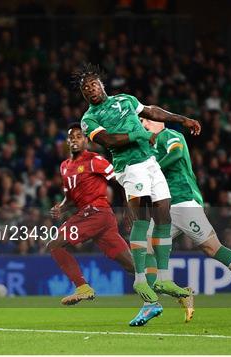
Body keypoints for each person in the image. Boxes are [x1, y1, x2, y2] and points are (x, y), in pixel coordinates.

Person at [73, 63, 200, 324]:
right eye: (86, 89)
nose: (91, 90)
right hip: (130, 168)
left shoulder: (126, 99)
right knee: (142, 219)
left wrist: (181, 119)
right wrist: (139, 132)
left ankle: (163, 279)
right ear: (84, 95)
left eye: (93, 85)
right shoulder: (89, 119)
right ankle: (142, 283)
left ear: (102, 85)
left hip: (150, 164)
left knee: (163, 217)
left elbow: (152, 111)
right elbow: (108, 141)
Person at [136, 118, 231, 322]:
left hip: (184, 203)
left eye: (146, 120)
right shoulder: (148, 148)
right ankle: (150, 303)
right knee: (147, 245)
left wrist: (153, 168)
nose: (143, 124)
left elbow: (175, 154)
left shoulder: (172, 136)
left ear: (160, 122)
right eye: (140, 121)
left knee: (213, 249)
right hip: (165, 206)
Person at [48, 123, 134, 305]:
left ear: (86, 140)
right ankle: (175, 289)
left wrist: (128, 209)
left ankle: (82, 288)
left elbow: (121, 182)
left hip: (97, 212)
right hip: (96, 219)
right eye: (71, 137)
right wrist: (61, 207)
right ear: (67, 141)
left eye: (79, 136)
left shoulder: (95, 160)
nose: (74, 140)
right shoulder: (65, 167)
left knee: (55, 244)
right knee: (131, 265)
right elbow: (70, 197)